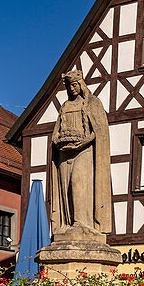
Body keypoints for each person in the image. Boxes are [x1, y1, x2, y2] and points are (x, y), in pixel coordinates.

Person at [49, 70, 111, 240]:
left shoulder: (92, 103)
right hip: (65, 152)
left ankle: (82, 222)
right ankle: (66, 224)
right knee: (65, 187)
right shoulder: (65, 106)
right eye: (69, 86)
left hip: (85, 150)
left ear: (81, 85)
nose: (72, 88)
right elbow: (56, 132)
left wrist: (83, 142)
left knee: (78, 183)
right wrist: (57, 140)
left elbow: (99, 132)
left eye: (75, 85)